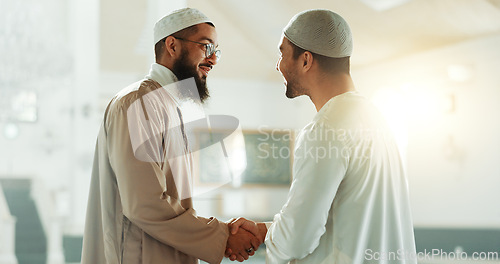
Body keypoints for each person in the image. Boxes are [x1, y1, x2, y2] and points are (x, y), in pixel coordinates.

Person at [228, 9, 417, 264]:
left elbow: (297, 240)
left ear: (306, 60)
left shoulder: (326, 128)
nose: (278, 64)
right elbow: (338, 217)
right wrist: (265, 230)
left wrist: (264, 235)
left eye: (282, 53)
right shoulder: (376, 119)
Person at [81, 8, 262, 264]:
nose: (213, 60)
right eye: (206, 47)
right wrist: (222, 236)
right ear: (172, 45)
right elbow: (145, 204)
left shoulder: (171, 106)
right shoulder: (139, 102)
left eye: (216, 51)